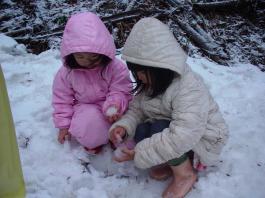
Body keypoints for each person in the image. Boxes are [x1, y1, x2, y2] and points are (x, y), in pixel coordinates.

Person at [109, 17, 229, 198]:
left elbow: (183, 134)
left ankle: (185, 174)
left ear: (160, 68)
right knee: (142, 130)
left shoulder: (188, 87)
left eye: (142, 71)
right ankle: (171, 161)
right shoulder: (153, 83)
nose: (139, 77)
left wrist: (139, 152)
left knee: (158, 129)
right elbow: (138, 110)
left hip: (203, 138)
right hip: (179, 133)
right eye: (136, 71)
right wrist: (124, 127)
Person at [52, 12, 132, 154]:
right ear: (70, 54)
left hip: (115, 107)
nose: (87, 61)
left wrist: (114, 105)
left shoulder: (115, 67)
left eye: (93, 56)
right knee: (88, 123)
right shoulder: (67, 72)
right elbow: (62, 100)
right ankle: (96, 139)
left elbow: (121, 90)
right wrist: (63, 125)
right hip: (86, 107)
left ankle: (117, 137)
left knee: (130, 126)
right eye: (80, 56)